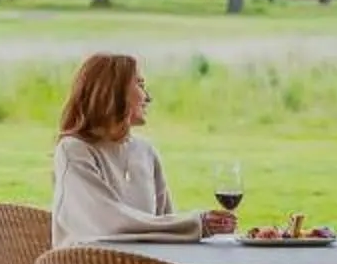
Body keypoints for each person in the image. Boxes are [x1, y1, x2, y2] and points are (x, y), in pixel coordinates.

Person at [48, 53, 236, 248]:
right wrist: (196, 223)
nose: (148, 97)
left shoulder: (145, 151)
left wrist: (197, 226)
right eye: (140, 85)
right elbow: (106, 222)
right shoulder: (74, 150)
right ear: (112, 90)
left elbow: (168, 222)